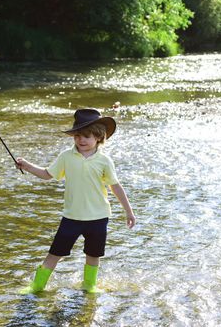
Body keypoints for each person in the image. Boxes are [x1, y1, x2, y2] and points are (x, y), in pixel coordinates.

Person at [16, 108, 136, 294]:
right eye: (77, 136)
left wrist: (129, 211)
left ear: (99, 137)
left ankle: (89, 286)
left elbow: (115, 186)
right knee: (54, 254)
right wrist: (28, 166)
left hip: (98, 217)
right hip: (71, 217)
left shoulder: (104, 161)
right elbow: (48, 174)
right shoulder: (66, 156)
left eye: (87, 136)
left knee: (93, 255)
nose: (81, 140)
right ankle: (36, 287)